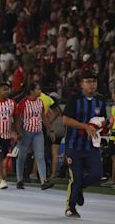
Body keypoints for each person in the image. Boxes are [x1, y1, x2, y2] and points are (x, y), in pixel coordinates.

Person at [62, 71, 106, 218]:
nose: (92, 84)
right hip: (74, 145)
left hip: (91, 146)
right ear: (82, 84)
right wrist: (85, 126)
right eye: (88, 81)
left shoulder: (100, 100)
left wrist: (102, 125)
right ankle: (71, 207)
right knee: (76, 177)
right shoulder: (74, 99)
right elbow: (65, 120)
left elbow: (103, 120)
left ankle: (79, 188)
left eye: (94, 82)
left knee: (96, 175)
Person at [15, 83, 55, 190]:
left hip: (38, 132)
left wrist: (50, 130)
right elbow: (18, 119)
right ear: (31, 91)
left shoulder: (40, 102)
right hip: (26, 132)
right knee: (22, 156)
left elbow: (43, 117)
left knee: (40, 156)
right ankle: (19, 180)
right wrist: (19, 133)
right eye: (38, 89)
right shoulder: (23, 103)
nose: (40, 91)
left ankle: (43, 181)